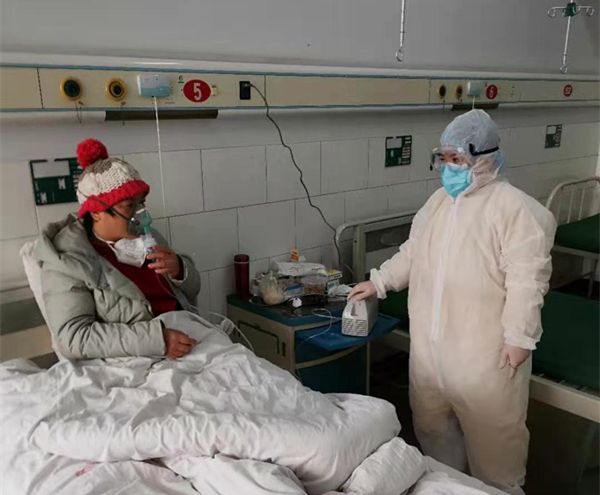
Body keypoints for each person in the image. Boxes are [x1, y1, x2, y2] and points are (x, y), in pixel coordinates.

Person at [349, 110, 556, 494]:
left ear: (484, 159)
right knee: (434, 439)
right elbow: (413, 253)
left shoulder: (516, 211)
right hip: (430, 354)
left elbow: (527, 280)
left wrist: (520, 337)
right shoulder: (438, 203)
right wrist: (379, 282)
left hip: (484, 360)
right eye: (443, 159)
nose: (448, 168)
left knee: (496, 453)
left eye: (457, 159)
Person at [32, 138, 201, 360]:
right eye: (130, 206)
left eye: (141, 203)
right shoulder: (67, 260)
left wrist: (180, 269)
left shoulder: (148, 236)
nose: (141, 214)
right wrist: (157, 340)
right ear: (96, 212)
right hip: (140, 357)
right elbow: (74, 337)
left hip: (186, 338)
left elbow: (193, 289)